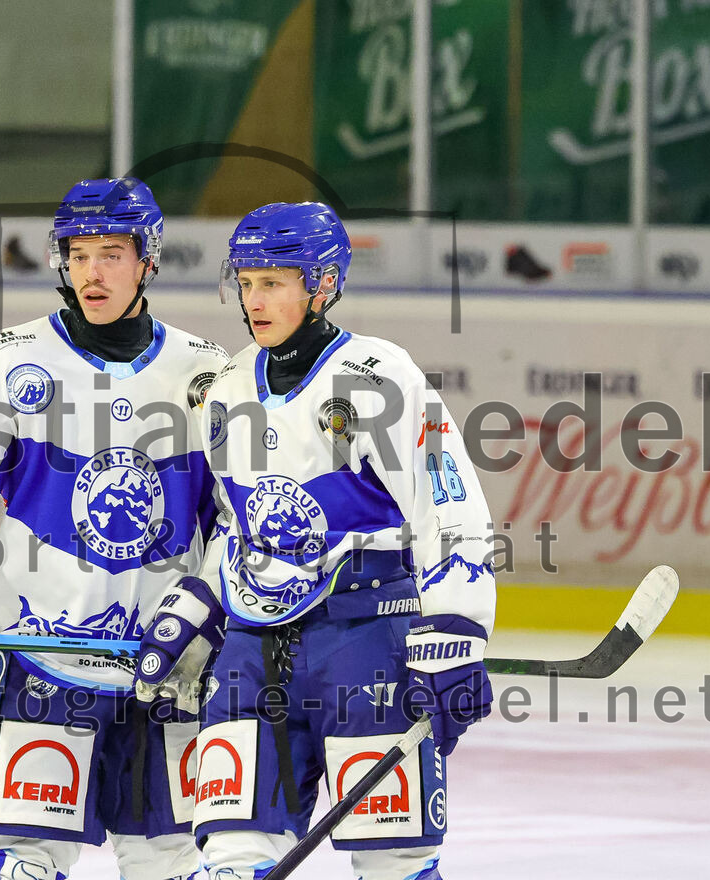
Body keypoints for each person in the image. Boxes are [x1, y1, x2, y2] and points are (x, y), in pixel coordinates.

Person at [135, 202, 496, 880]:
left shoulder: (378, 376)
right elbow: (234, 530)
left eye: (273, 282)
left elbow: (448, 508)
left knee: (395, 864)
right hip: (249, 652)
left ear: (322, 285)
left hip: (365, 643)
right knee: (231, 857)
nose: (254, 300)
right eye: (245, 283)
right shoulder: (228, 388)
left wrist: (455, 626)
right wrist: (195, 611)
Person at [0, 177, 229, 880]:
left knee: (171, 862)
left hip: (164, 673)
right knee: (29, 864)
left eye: (111, 253)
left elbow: (239, 521)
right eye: (77, 254)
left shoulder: (206, 374)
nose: (92, 272)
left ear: (148, 258)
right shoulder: (6, 363)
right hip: (39, 668)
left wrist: (210, 608)